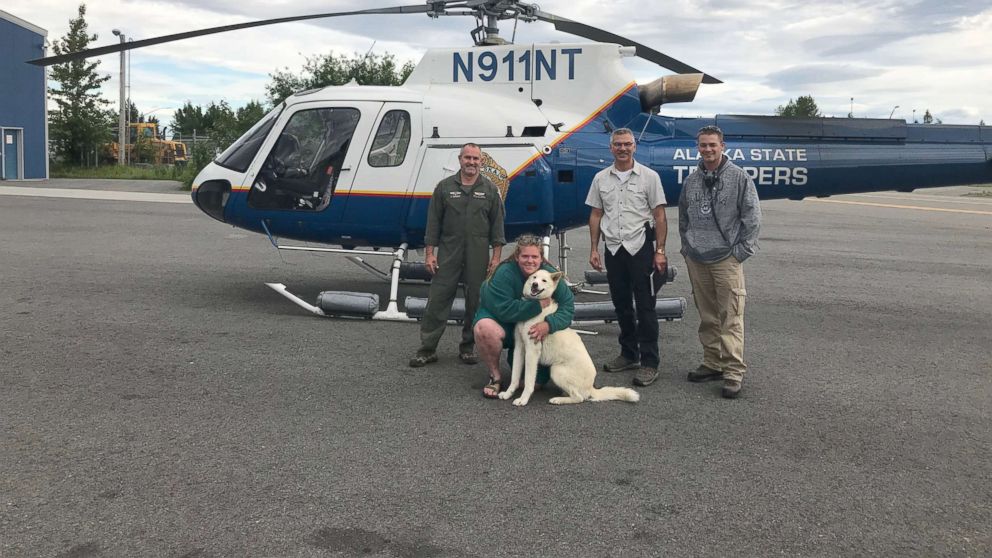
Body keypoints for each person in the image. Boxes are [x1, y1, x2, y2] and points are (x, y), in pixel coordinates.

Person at [679, 125, 761, 399]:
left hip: (726, 259)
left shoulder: (739, 178)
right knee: (707, 316)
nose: (708, 150)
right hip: (697, 259)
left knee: (731, 317)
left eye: (712, 145)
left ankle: (733, 372)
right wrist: (687, 248)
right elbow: (684, 217)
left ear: (722, 146)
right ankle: (712, 362)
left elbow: (752, 217)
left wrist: (741, 252)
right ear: (698, 147)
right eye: (703, 145)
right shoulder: (691, 180)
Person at [409, 143, 506, 367]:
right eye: (467, 158)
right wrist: (430, 254)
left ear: (482, 162)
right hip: (448, 253)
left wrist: (496, 257)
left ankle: (467, 347)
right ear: (460, 159)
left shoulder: (490, 190)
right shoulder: (444, 188)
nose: (471, 162)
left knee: (476, 301)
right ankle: (427, 348)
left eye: (476, 159)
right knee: (438, 300)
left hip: (478, 253)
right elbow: (433, 224)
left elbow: (497, 227)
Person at [586, 128, 669, 387]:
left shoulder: (649, 177)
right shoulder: (601, 178)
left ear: (635, 146)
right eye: (618, 144)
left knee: (645, 306)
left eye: (627, 144)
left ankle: (649, 362)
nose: (622, 148)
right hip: (614, 249)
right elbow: (596, 215)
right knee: (621, 304)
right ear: (611, 148)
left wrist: (660, 251)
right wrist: (593, 248)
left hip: (640, 247)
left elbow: (659, 216)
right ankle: (629, 353)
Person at [473, 235, 575, 398]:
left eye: (534, 256)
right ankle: (495, 377)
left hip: (529, 328)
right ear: (516, 257)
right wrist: (536, 305)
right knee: (484, 329)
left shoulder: (550, 275)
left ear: (541, 258)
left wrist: (549, 324)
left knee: (535, 384)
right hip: (502, 322)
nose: (530, 261)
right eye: (525, 256)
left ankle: (527, 370)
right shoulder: (503, 272)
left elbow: (568, 307)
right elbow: (504, 309)